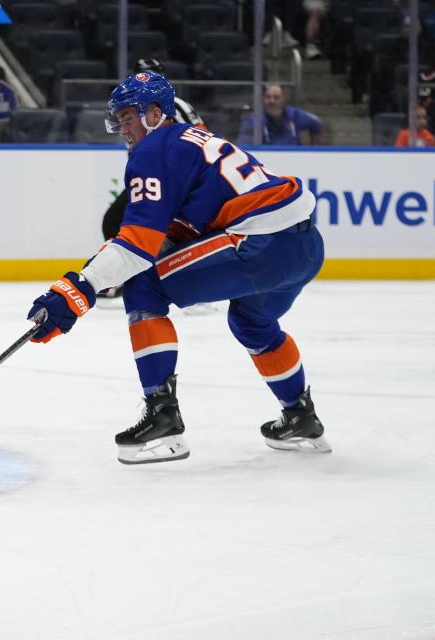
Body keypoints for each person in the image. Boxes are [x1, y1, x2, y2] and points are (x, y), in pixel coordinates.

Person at [26, 72, 329, 465]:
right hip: (305, 245)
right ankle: (301, 415)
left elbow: (138, 249)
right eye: (117, 120)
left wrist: (78, 290)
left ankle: (163, 417)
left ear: (155, 114)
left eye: (128, 118)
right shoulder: (192, 141)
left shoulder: (153, 152)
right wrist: (89, 277)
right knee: (252, 323)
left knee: (144, 285)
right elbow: (158, 236)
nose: (121, 129)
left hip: (261, 243)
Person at [99, 57, 207, 301]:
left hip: (167, 179)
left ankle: (136, 276)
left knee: (122, 222)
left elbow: (201, 136)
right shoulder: (136, 106)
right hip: (155, 175)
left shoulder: (173, 107)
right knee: (119, 223)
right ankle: (130, 276)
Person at [237, 83, 323, 145]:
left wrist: (314, 149)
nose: (272, 101)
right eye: (268, 97)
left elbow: (316, 122)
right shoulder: (253, 120)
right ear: (263, 99)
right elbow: (244, 147)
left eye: (276, 97)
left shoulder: (294, 115)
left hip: (295, 160)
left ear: (284, 100)